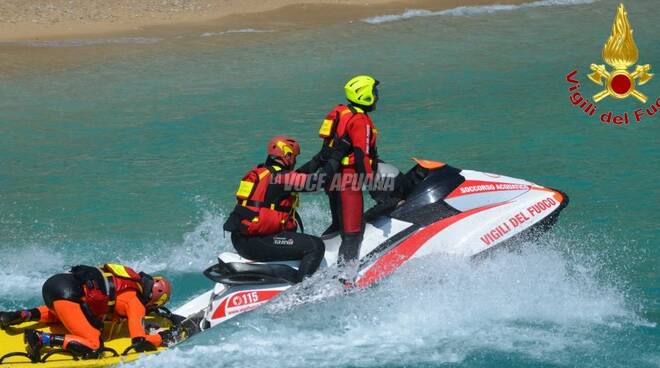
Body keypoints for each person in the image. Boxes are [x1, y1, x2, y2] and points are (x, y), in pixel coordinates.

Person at [223, 136, 348, 282]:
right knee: (315, 246)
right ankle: (303, 289)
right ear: (287, 156)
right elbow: (316, 182)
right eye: (294, 157)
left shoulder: (263, 172)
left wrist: (320, 158)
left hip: (241, 240)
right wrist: (336, 157)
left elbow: (297, 176)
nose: (295, 161)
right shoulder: (280, 177)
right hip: (257, 243)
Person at [0, 263, 173, 360]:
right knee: (94, 346)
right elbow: (139, 342)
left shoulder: (124, 279)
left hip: (55, 284)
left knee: (65, 314)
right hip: (68, 296)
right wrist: (163, 337)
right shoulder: (135, 302)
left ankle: (20, 315)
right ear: (154, 297)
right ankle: (41, 338)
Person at [298, 75, 380, 272]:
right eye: (374, 92)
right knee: (352, 233)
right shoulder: (360, 120)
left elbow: (326, 150)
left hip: (332, 178)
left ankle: (316, 263)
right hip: (348, 181)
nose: (377, 97)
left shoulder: (340, 113)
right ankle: (346, 278)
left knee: (338, 226)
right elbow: (362, 157)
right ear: (364, 95)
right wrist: (374, 188)